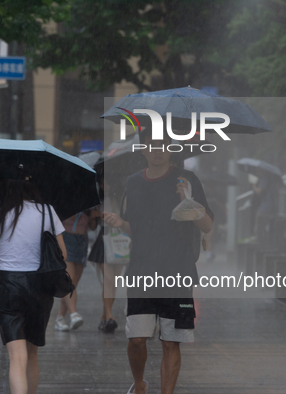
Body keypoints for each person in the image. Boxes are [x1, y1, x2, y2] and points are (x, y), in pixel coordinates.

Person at [103, 131, 213, 394]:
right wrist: (122, 224)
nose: (157, 150)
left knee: (170, 342)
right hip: (142, 271)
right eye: (151, 146)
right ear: (142, 150)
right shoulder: (133, 183)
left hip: (178, 271)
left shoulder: (187, 179)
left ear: (171, 149)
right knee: (137, 339)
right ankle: (139, 383)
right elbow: (136, 227)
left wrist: (188, 202)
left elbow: (207, 224)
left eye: (162, 145)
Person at [0, 177, 67, 394]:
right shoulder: (47, 211)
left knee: (17, 358)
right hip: (40, 289)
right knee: (32, 355)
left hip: (9, 287)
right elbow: (63, 255)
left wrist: (5, 248)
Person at [88, 175, 126, 333]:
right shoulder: (97, 200)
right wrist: (94, 216)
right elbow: (92, 226)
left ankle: (105, 316)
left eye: (108, 183)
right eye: (103, 183)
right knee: (108, 279)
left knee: (114, 281)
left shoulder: (122, 197)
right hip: (104, 238)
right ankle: (109, 316)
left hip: (120, 238)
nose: (105, 186)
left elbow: (126, 217)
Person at [54, 208, 99, 331]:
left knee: (73, 284)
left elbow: (93, 227)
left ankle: (60, 318)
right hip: (66, 239)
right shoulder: (65, 201)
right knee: (69, 280)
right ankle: (74, 314)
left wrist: (93, 218)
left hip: (82, 241)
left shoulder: (88, 204)